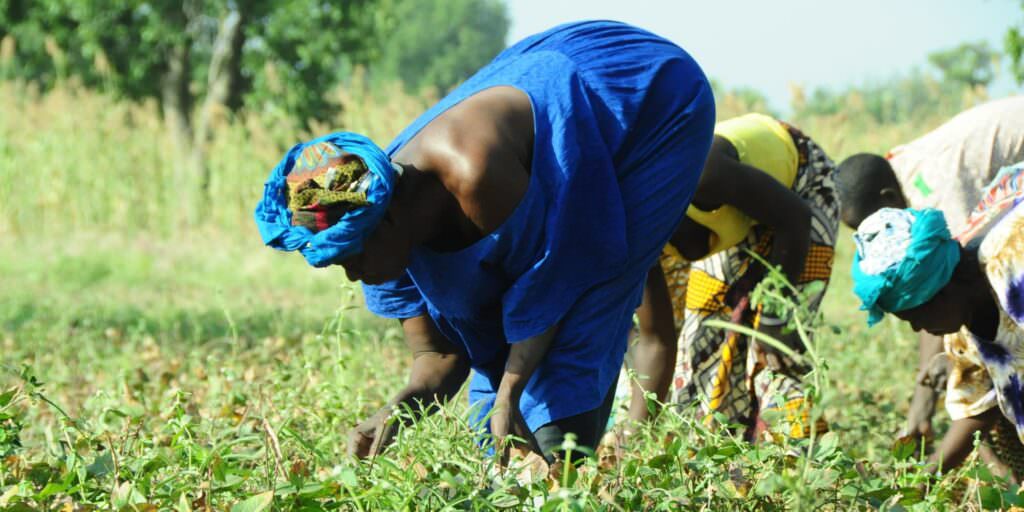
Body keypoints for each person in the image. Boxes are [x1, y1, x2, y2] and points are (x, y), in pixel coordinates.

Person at [254, 20, 716, 463]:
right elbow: (440, 354)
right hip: (560, 94)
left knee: (589, 310)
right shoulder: (370, 215)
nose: (353, 275)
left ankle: (577, 474)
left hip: (641, 96)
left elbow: (556, 280)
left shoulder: (473, 175)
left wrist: (511, 392)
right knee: (494, 415)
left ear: (390, 220)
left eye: (351, 259)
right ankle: (510, 475)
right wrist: (397, 411)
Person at [618, 113, 838, 441]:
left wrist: (774, 317)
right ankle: (723, 452)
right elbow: (657, 339)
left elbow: (795, 219)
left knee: (774, 349)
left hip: (801, 188)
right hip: (737, 215)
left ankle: (800, 454)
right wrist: (634, 434)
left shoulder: (702, 175)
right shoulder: (632, 238)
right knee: (701, 342)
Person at [835, 96, 1024, 444]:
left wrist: (923, 403)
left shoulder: (941, 195)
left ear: (889, 198)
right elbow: (973, 402)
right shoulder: (914, 210)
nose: (878, 229)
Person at [850, 202, 1024, 479]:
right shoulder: (963, 329)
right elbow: (977, 407)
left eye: (915, 317)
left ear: (941, 290)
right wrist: (925, 480)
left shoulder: (1013, 264)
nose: (917, 328)